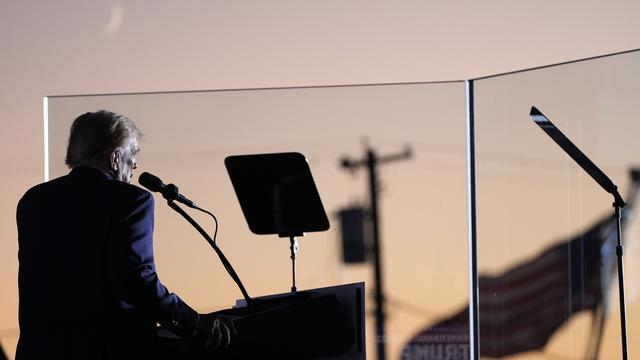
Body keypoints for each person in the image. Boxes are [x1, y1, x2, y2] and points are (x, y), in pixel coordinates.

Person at [16, 110, 231, 360]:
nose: (136, 165)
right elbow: (134, 279)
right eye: (133, 154)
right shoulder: (131, 200)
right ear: (115, 157)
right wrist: (192, 322)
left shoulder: (33, 200)